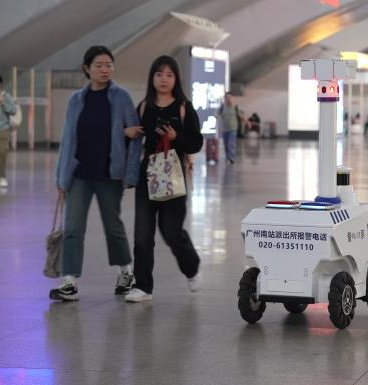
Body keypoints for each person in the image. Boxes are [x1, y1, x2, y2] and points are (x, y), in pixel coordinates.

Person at [51, 46, 143, 301]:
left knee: (113, 226)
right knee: (72, 228)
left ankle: (126, 272)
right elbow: (68, 139)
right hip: (79, 173)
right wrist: (61, 176)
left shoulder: (121, 97)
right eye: (99, 65)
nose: (105, 70)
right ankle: (69, 280)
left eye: (109, 65)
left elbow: (136, 137)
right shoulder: (76, 100)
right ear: (87, 68)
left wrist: (131, 174)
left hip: (109, 175)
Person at [125, 55, 204, 302]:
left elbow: (196, 142)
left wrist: (177, 136)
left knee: (171, 232)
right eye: (159, 74)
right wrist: (127, 132)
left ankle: (191, 266)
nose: (163, 79)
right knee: (142, 234)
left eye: (169, 75)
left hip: (173, 172)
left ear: (176, 79)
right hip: (147, 173)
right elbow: (133, 137)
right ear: (152, 77)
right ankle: (143, 287)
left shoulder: (183, 107)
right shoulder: (143, 106)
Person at [0, 73, 18, 188]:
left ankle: (2, 177)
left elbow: (13, 110)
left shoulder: (5, 95)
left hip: (3, 129)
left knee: (1, 152)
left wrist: (3, 103)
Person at [216, 93, 245, 165]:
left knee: (230, 144)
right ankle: (228, 157)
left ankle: (231, 158)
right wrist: (215, 116)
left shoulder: (235, 107)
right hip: (225, 129)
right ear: (225, 99)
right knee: (226, 145)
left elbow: (240, 116)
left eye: (230, 98)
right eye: (227, 98)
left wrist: (247, 122)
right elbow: (216, 114)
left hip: (233, 129)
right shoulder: (222, 107)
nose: (229, 99)